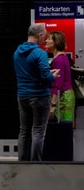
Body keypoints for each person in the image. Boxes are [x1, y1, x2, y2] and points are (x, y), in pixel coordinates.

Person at [14, 23, 57, 161]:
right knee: (38, 131)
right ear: (38, 35)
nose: (44, 39)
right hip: (39, 96)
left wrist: (45, 74)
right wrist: (52, 76)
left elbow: (28, 73)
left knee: (24, 130)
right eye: (44, 36)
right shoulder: (40, 53)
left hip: (22, 95)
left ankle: (22, 161)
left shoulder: (17, 52)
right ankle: (36, 164)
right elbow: (45, 77)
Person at [46, 30, 75, 125]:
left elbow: (58, 84)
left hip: (63, 97)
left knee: (64, 127)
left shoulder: (59, 59)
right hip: (64, 96)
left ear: (56, 42)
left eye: (49, 39)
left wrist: (53, 105)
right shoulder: (62, 57)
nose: (46, 41)